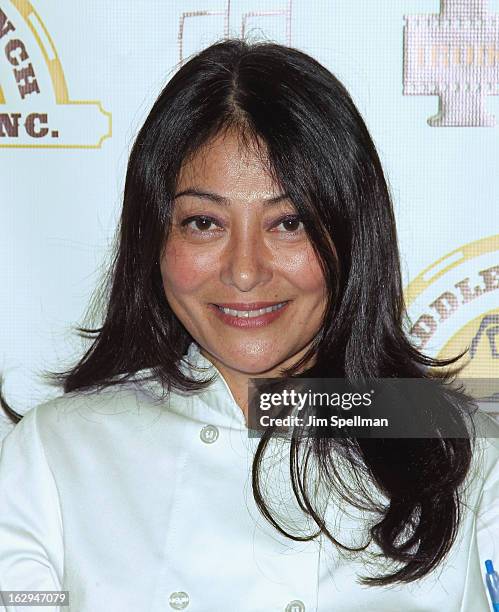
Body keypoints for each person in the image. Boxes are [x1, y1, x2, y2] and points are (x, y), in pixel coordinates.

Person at [1, 38, 498, 612]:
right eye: (205, 223)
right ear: (154, 240)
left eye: (288, 223)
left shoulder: (456, 451)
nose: (244, 271)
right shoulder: (57, 454)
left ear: (352, 235)